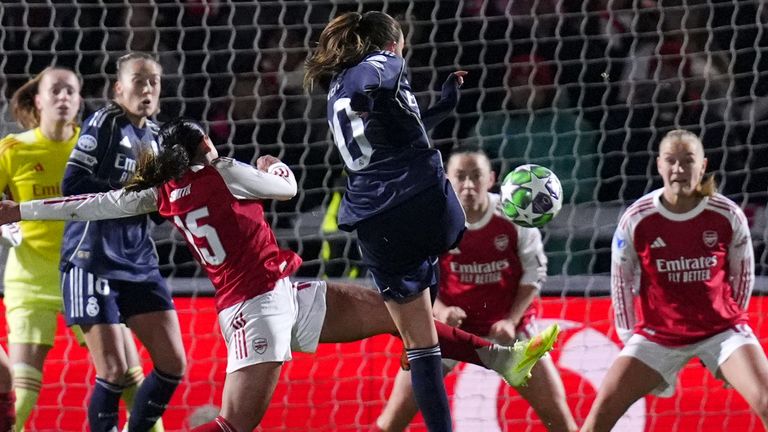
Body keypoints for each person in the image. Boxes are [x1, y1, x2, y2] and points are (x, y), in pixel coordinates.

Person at [0, 117, 560, 432]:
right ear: (201, 149)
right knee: (233, 425)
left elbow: (90, 204)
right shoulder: (224, 173)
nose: (217, 146)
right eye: (211, 142)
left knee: (394, 315)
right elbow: (287, 187)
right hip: (255, 308)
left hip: (283, 291)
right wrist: (271, 166)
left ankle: (500, 359)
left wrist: (20, 210)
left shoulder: (163, 193)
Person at [303, 11, 482, 431]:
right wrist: (373, 82)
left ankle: (421, 335)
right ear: (393, 42)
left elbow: (399, 130)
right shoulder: (380, 62)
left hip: (373, 218)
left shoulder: (334, 88)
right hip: (421, 200)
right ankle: (426, 332)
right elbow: (375, 78)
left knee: (422, 343)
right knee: (433, 258)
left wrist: (442, 106)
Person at [0, 66, 162, 432]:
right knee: (20, 393)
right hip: (31, 281)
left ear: (79, 101)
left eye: (71, 91)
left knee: (131, 382)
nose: (63, 98)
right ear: (38, 100)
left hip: (87, 273)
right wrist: (5, 222)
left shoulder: (96, 143)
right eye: (55, 91)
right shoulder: (12, 149)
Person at [375, 150, 577, 432]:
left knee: (558, 416)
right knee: (393, 419)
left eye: (476, 176)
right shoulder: (433, 220)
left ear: (492, 179)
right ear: (446, 179)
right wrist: (441, 309)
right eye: (460, 176)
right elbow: (413, 276)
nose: (468, 185)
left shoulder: (516, 215)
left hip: (509, 331)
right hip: (448, 331)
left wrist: (511, 319)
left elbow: (535, 273)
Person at [581, 129, 768, 431]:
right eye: (671, 161)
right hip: (658, 336)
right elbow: (621, 283)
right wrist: (630, 340)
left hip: (722, 332)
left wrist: (733, 319)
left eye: (687, 161)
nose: (679, 169)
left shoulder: (726, 213)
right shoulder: (637, 217)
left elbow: (743, 276)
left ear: (703, 166)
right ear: (659, 165)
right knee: (598, 418)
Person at [59, 53, 185, 432]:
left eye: (154, 82)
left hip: (138, 261)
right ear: (118, 88)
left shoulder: (159, 136)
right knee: (113, 370)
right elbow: (73, 186)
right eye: (138, 81)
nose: (147, 89)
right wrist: (132, 193)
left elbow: (158, 210)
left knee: (172, 363)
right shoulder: (105, 123)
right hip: (91, 258)